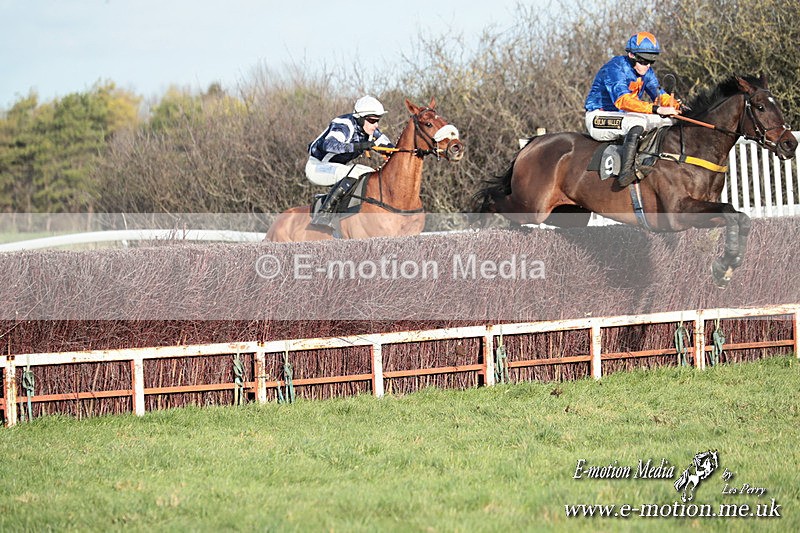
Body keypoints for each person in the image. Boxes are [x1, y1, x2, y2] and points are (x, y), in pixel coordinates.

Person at [584, 32, 682, 186]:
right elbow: (622, 101)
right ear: (631, 55)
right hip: (598, 117)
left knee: (669, 121)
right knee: (637, 123)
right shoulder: (615, 68)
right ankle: (626, 172)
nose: (647, 65)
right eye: (644, 61)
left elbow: (659, 95)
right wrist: (656, 109)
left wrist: (677, 106)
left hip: (624, 117)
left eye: (651, 61)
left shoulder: (647, 72)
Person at [306, 95, 395, 219]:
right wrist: (359, 146)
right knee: (352, 173)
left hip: (339, 166)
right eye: (372, 120)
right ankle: (324, 213)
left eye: (377, 120)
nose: (375, 125)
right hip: (318, 166)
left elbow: (388, 145)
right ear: (360, 119)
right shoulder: (344, 125)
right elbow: (328, 145)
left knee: (370, 173)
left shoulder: (369, 129)